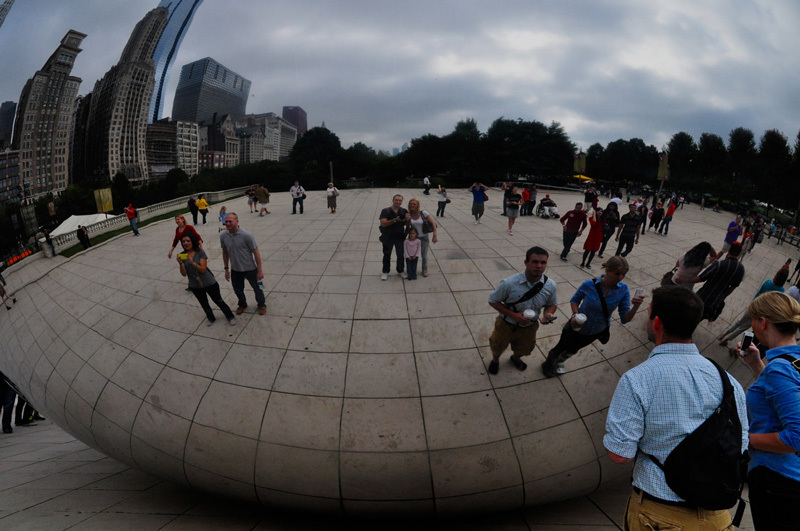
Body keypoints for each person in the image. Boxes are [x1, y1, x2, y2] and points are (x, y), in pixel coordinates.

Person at [604, 286, 748, 531]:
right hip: (718, 518)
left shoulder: (637, 379)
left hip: (659, 516)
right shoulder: (728, 381)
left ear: (657, 322)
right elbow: (740, 444)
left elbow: (620, 455)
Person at [737, 291, 800, 530]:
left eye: (753, 321)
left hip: (779, 481)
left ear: (763, 322)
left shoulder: (780, 369)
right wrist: (757, 364)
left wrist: (745, 439)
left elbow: (796, 437)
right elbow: (782, 399)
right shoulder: (791, 363)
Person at [543, 256, 644, 376]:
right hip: (576, 326)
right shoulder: (589, 284)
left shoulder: (623, 290)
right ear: (607, 271)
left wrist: (635, 307)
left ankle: (560, 362)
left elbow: (625, 319)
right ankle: (547, 366)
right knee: (560, 348)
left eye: (623, 274)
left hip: (596, 331)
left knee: (573, 350)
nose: (620, 278)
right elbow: (575, 300)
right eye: (617, 274)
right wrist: (575, 315)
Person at [487, 246, 558, 375]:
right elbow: (492, 300)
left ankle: (515, 358)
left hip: (529, 327)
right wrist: (513, 315)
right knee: (497, 345)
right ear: (526, 262)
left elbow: (552, 304)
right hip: (506, 324)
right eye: (535, 262)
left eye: (543, 262)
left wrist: (548, 313)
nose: (539, 266)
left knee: (524, 348)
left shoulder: (550, 285)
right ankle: (495, 360)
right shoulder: (509, 283)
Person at [717, 266, 789, 348]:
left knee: (739, 322)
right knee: (742, 328)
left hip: (753, 306)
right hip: (760, 313)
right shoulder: (781, 291)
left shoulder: (768, 282)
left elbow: (758, 293)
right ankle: (726, 340)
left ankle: (724, 334)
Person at [177, 232, 237, 326]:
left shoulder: (200, 252)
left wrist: (192, 262)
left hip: (209, 283)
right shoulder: (182, 255)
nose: (185, 243)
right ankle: (211, 317)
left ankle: (230, 316)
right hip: (195, 285)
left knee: (218, 300)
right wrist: (181, 263)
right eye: (183, 241)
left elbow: (203, 270)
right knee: (204, 303)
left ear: (192, 241)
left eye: (188, 241)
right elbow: (184, 274)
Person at [220, 213, 266, 315]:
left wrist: (260, 271)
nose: (228, 223)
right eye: (226, 221)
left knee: (259, 287)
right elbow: (225, 252)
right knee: (237, 290)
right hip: (235, 269)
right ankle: (242, 304)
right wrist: (226, 269)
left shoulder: (247, 235)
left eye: (230, 221)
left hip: (251, 268)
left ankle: (262, 304)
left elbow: (256, 253)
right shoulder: (223, 235)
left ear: (237, 221)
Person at [695, 242, 745, 322]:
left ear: (729, 250)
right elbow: (732, 287)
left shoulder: (719, 264)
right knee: (699, 318)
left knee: (692, 314)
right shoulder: (741, 269)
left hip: (703, 296)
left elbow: (702, 278)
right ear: (739, 253)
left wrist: (686, 279)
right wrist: (722, 296)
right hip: (715, 301)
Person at [379, 194, 409, 280]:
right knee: (387, 254)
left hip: (400, 236)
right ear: (393, 200)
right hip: (388, 236)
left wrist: (407, 220)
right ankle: (385, 271)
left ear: (402, 202)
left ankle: (400, 270)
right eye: (396, 200)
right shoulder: (385, 211)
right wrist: (395, 220)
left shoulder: (404, 211)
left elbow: (406, 224)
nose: (398, 202)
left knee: (400, 255)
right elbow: (383, 224)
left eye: (400, 200)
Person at [405, 198, 438, 277]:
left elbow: (433, 223)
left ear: (417, 205)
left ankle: (424, 269)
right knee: (412, 254)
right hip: (414, 239)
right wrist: (407, 219)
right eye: (411, 204)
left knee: (424, 255)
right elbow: (407, 227)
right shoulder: (408, 214)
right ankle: (412, 270)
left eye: (414, 204)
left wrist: (435, 235)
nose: (412, 205)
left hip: (424, 238)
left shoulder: (423, 213)